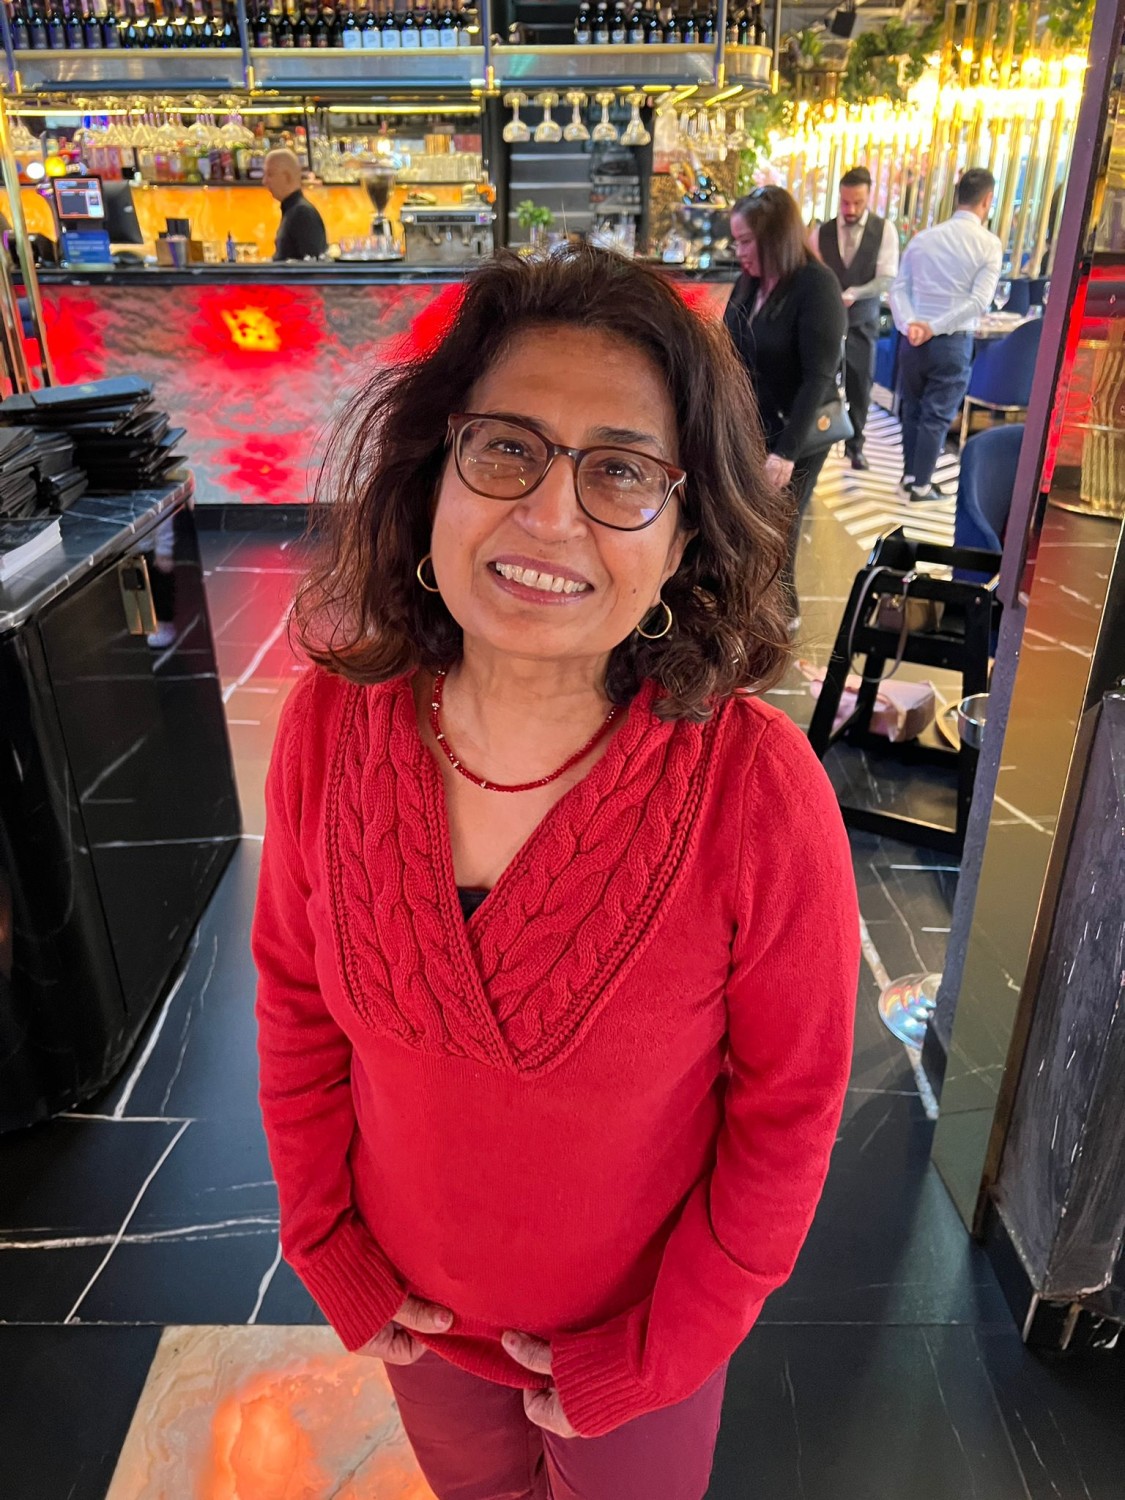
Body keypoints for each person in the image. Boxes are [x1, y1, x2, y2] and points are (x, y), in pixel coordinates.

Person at [253, 247, 859, 1500]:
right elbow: (296, 1005)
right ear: (435, 473)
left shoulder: (759, 795)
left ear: (684, 532)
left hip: (640, 1349)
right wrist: (321, 1237)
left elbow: (788, 1113)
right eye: (506, 448)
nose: (548, 516)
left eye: (621, 471)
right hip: (420, 1329)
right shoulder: (329, 727)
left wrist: (670, 1343)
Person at [723, 185, 847, 614]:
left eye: (745, 241)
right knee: (750, 521)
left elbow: (818, 376)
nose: (739, 252)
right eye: (736, 242)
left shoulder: (816, 284)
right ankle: (750, 606)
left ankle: (781, 616)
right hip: (757, 423)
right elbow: (730, 347)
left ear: (774, 238)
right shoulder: (750, 283)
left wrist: (786, 452)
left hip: (800, 430)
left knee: (780, 527)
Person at [889, 167, 1002, 502]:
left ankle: (910, 477)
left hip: (913, 341)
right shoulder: (989, 245)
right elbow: (978, 302)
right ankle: (920, 486)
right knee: (936, 415)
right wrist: (934, 327)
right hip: (951, 343)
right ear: (988, 200)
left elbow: (898, 289)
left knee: (912, 409)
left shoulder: (924, 239)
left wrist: (912, 323)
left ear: (956, 197)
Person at [814, 165, 899, 471]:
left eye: (857, 203)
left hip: (863, 321)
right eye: (845, 202)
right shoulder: (822, 232)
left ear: (869, 197)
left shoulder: (884, 230)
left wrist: (856, 293)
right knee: (820, 382)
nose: (850, 210)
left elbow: (886, 278)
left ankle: (856, 446)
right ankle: (817, 443)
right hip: (826, 321)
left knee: (860, 385)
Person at [262, 147, 327, 262]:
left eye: (270, 174)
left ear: (287, 176)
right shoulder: (294, 211)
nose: (264, 181)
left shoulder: (302, 214)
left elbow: (312, 267)